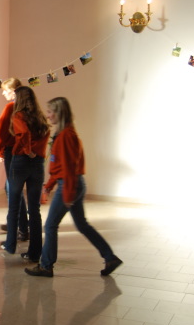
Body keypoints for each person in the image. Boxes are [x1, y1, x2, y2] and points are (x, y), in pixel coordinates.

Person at [25, 97, 123, 277]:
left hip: (70, 185)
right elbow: (59, 165)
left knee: (50, 225)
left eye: (50, 112)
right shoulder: (64, 134)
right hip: (71, 184)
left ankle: (46, 266)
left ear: (59, 113)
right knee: (82, 224)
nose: (48, 115)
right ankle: (110, 257)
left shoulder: (66, 136)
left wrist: (68, 194)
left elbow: (69, 168)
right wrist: (49, 185)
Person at [0, 86, 49, 261]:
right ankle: (35, 252)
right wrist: (36, 153)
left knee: (14, 206)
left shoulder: (18, 115)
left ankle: (10, 244)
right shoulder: (40, 117)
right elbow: (45, 135)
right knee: (34, 209)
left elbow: (23, 134)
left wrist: (28, 151)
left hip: (21, 161)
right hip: (38, 163)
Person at [0, 77, 28, 241]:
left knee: (13, 188)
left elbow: (1, 131)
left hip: (11, 151)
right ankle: (17, 223)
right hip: (22, 152)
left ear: (13, 92)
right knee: (12, 187)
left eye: (5, 90)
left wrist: (0, 151)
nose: (3, 93)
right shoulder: (27, 107)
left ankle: (20, 226)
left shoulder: (10, 107)